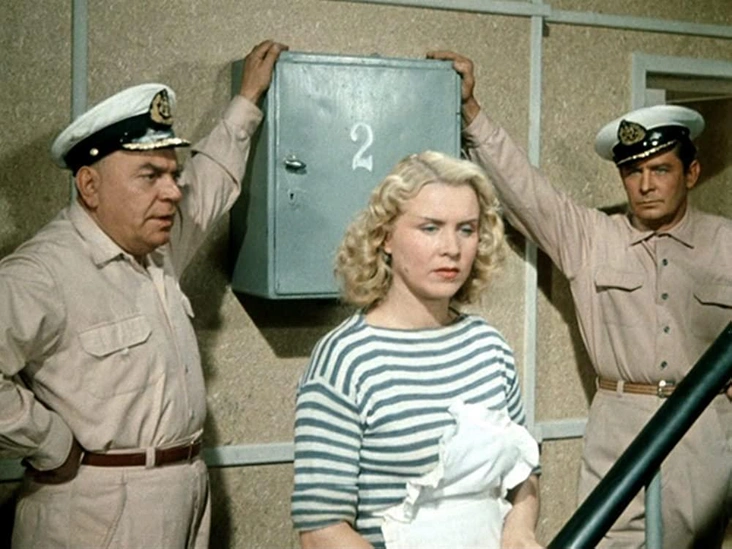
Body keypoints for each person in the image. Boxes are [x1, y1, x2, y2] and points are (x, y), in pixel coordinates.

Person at [427, 50, 732, 548]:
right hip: (620, 428)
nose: (646, 185)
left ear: (691, 173)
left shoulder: (726, 244)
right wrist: (472, 113)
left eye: (660, 169)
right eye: (633, 172)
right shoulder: (592, 237)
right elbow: (526, 191)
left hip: (704, 432)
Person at [0, 39, 287, 548]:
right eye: (150, 176)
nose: (173, 191)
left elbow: (211, 177)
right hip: (96, 508)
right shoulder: (43, 272)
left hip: (183, 494)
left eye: (172, 174)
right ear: (90, 186)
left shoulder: (156, 245)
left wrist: (247, 99)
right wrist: (48, 441)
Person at [291, 151, 542, 549]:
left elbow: (524, 473)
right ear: (385, 237)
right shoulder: (345, 359)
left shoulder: (489, 346)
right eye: (430, 228)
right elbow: (321, 528)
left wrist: (519, 531)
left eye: (466, 229)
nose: (451, 248)